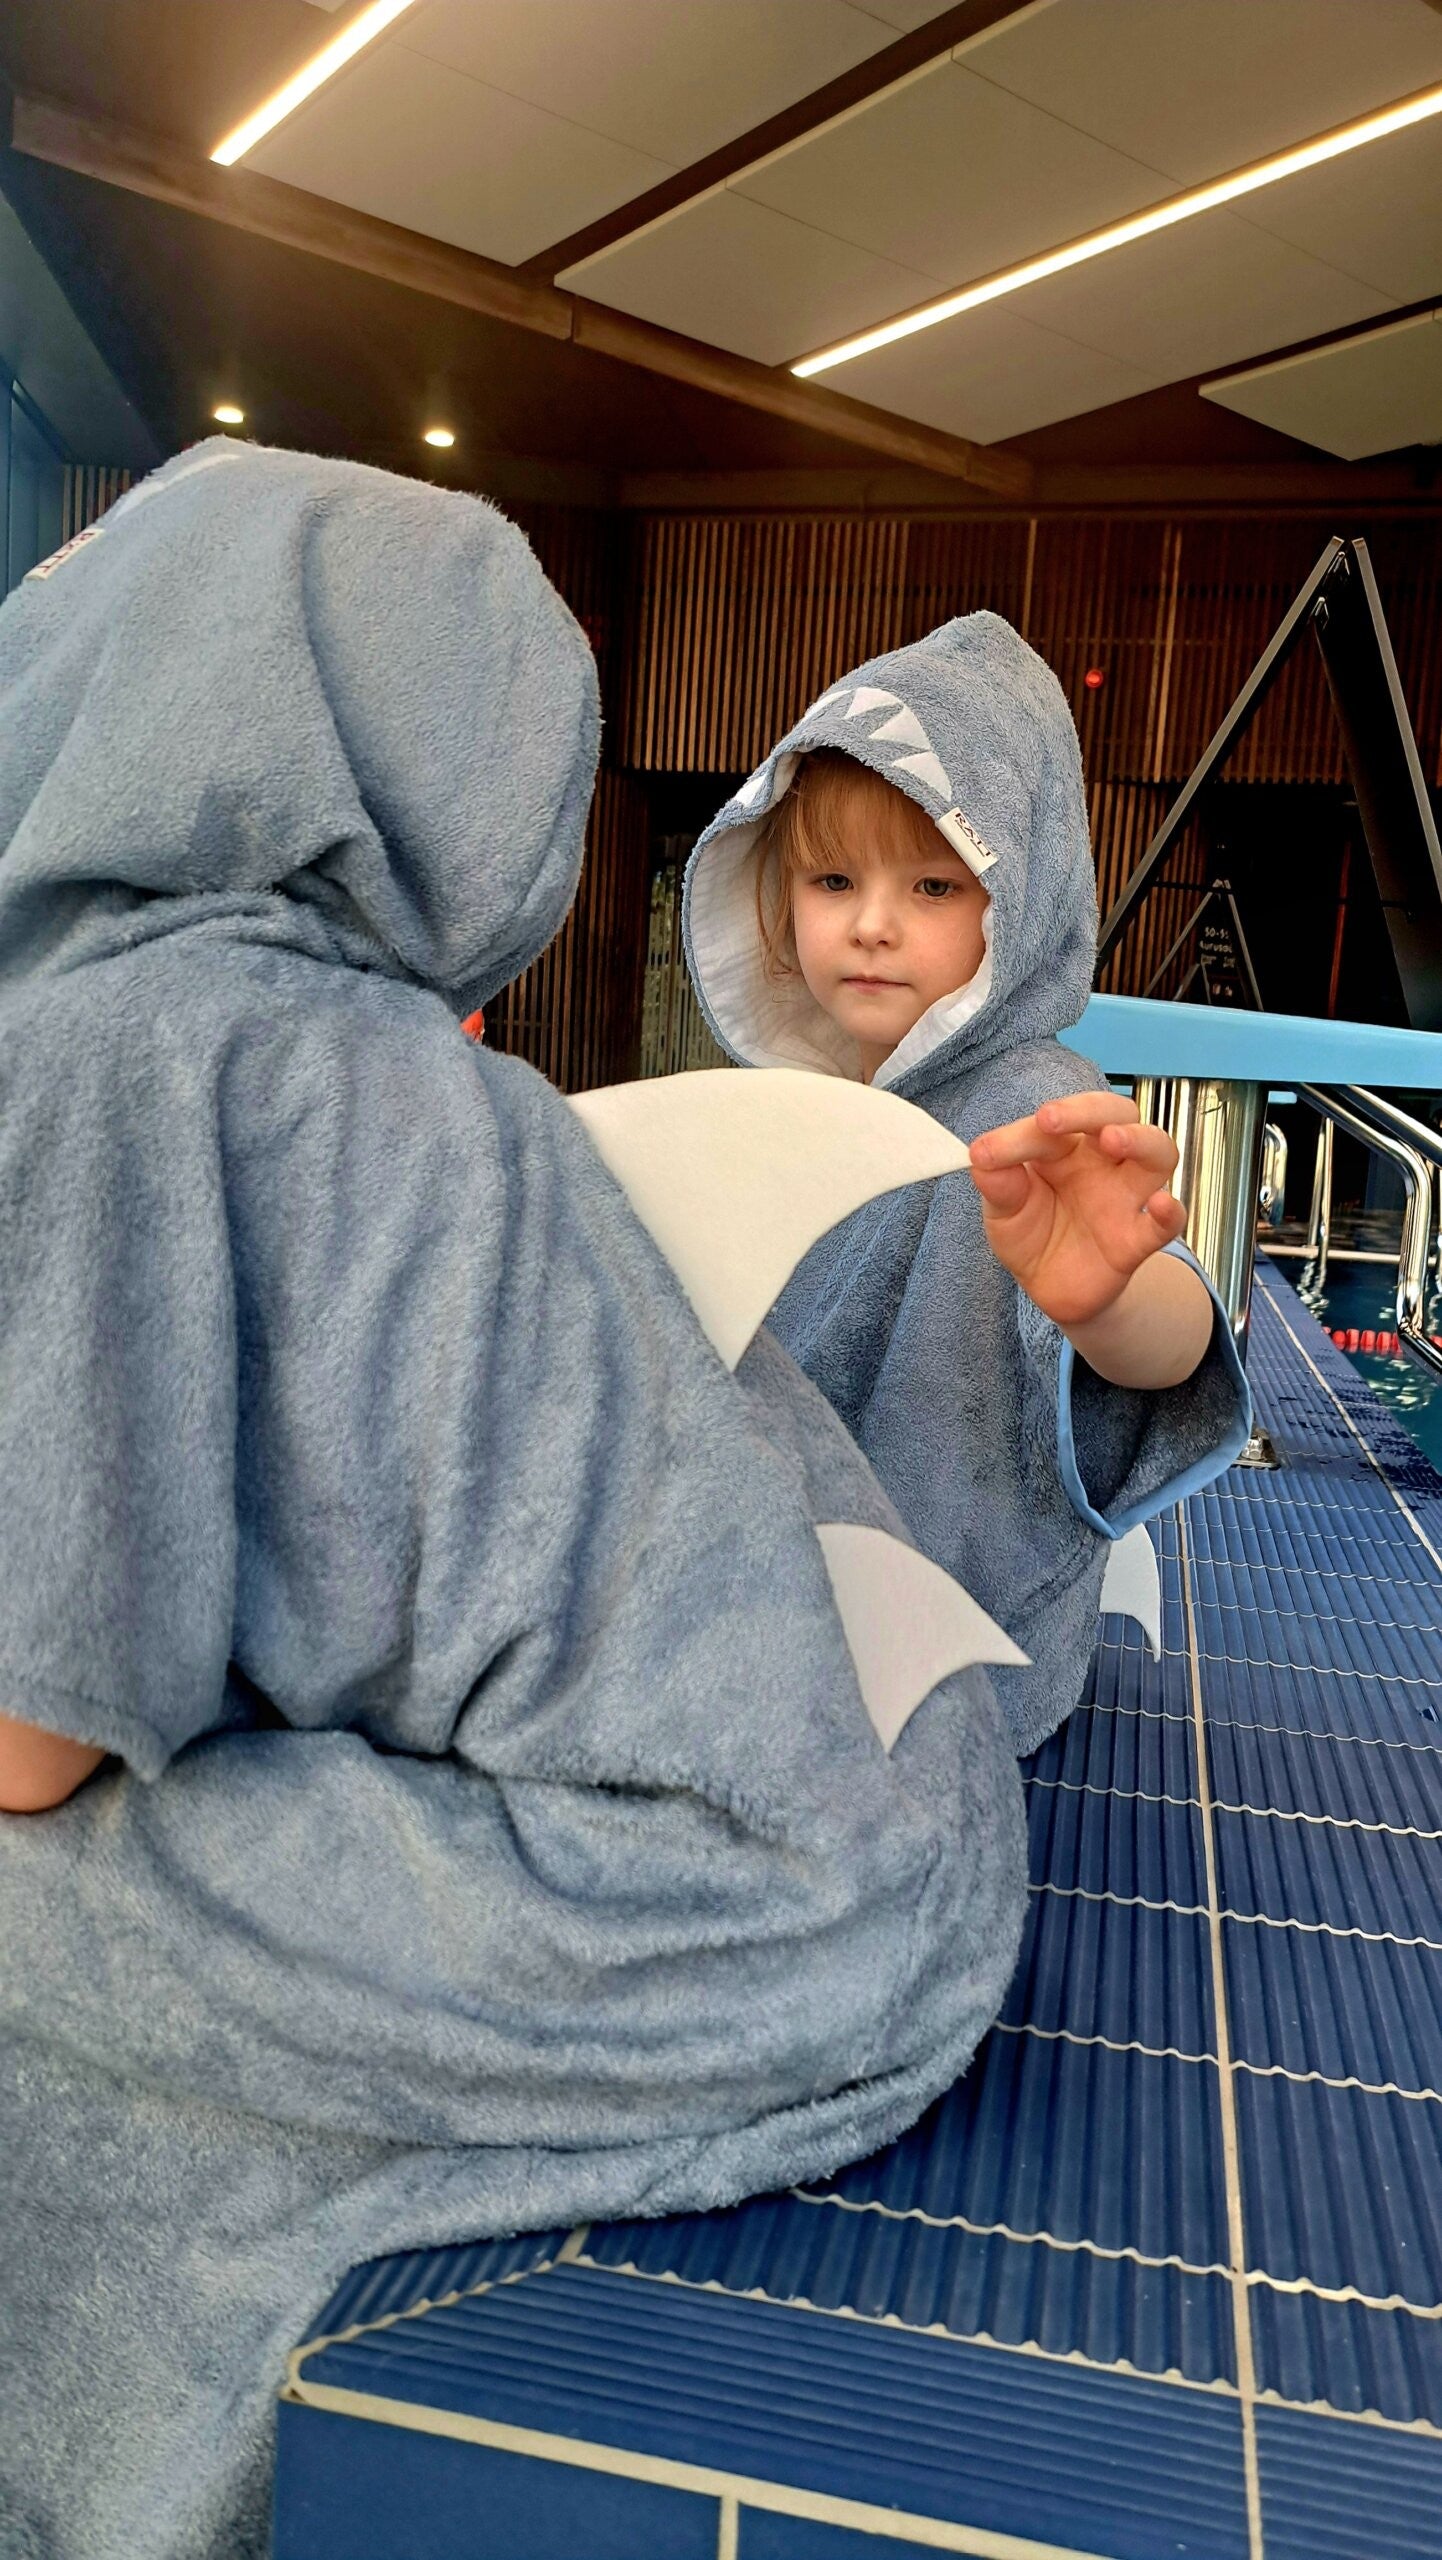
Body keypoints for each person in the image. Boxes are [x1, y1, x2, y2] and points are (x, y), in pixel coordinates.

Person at [0, 446, 1027, 2560]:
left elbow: (31, 1739)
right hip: (893, 1818)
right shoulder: (416, 1072)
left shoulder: (122, 1045)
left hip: (715, 1909)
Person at [683, 615, 1251, 1757]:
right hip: (784, 1620)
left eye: (935, 886)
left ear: (1019, 899)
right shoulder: (790, 1109)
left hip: (953, 1673)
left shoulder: (1029, 1113)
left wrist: (1107, 1301)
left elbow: (1172, 1340)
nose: (874, 924)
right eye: (833, 878)